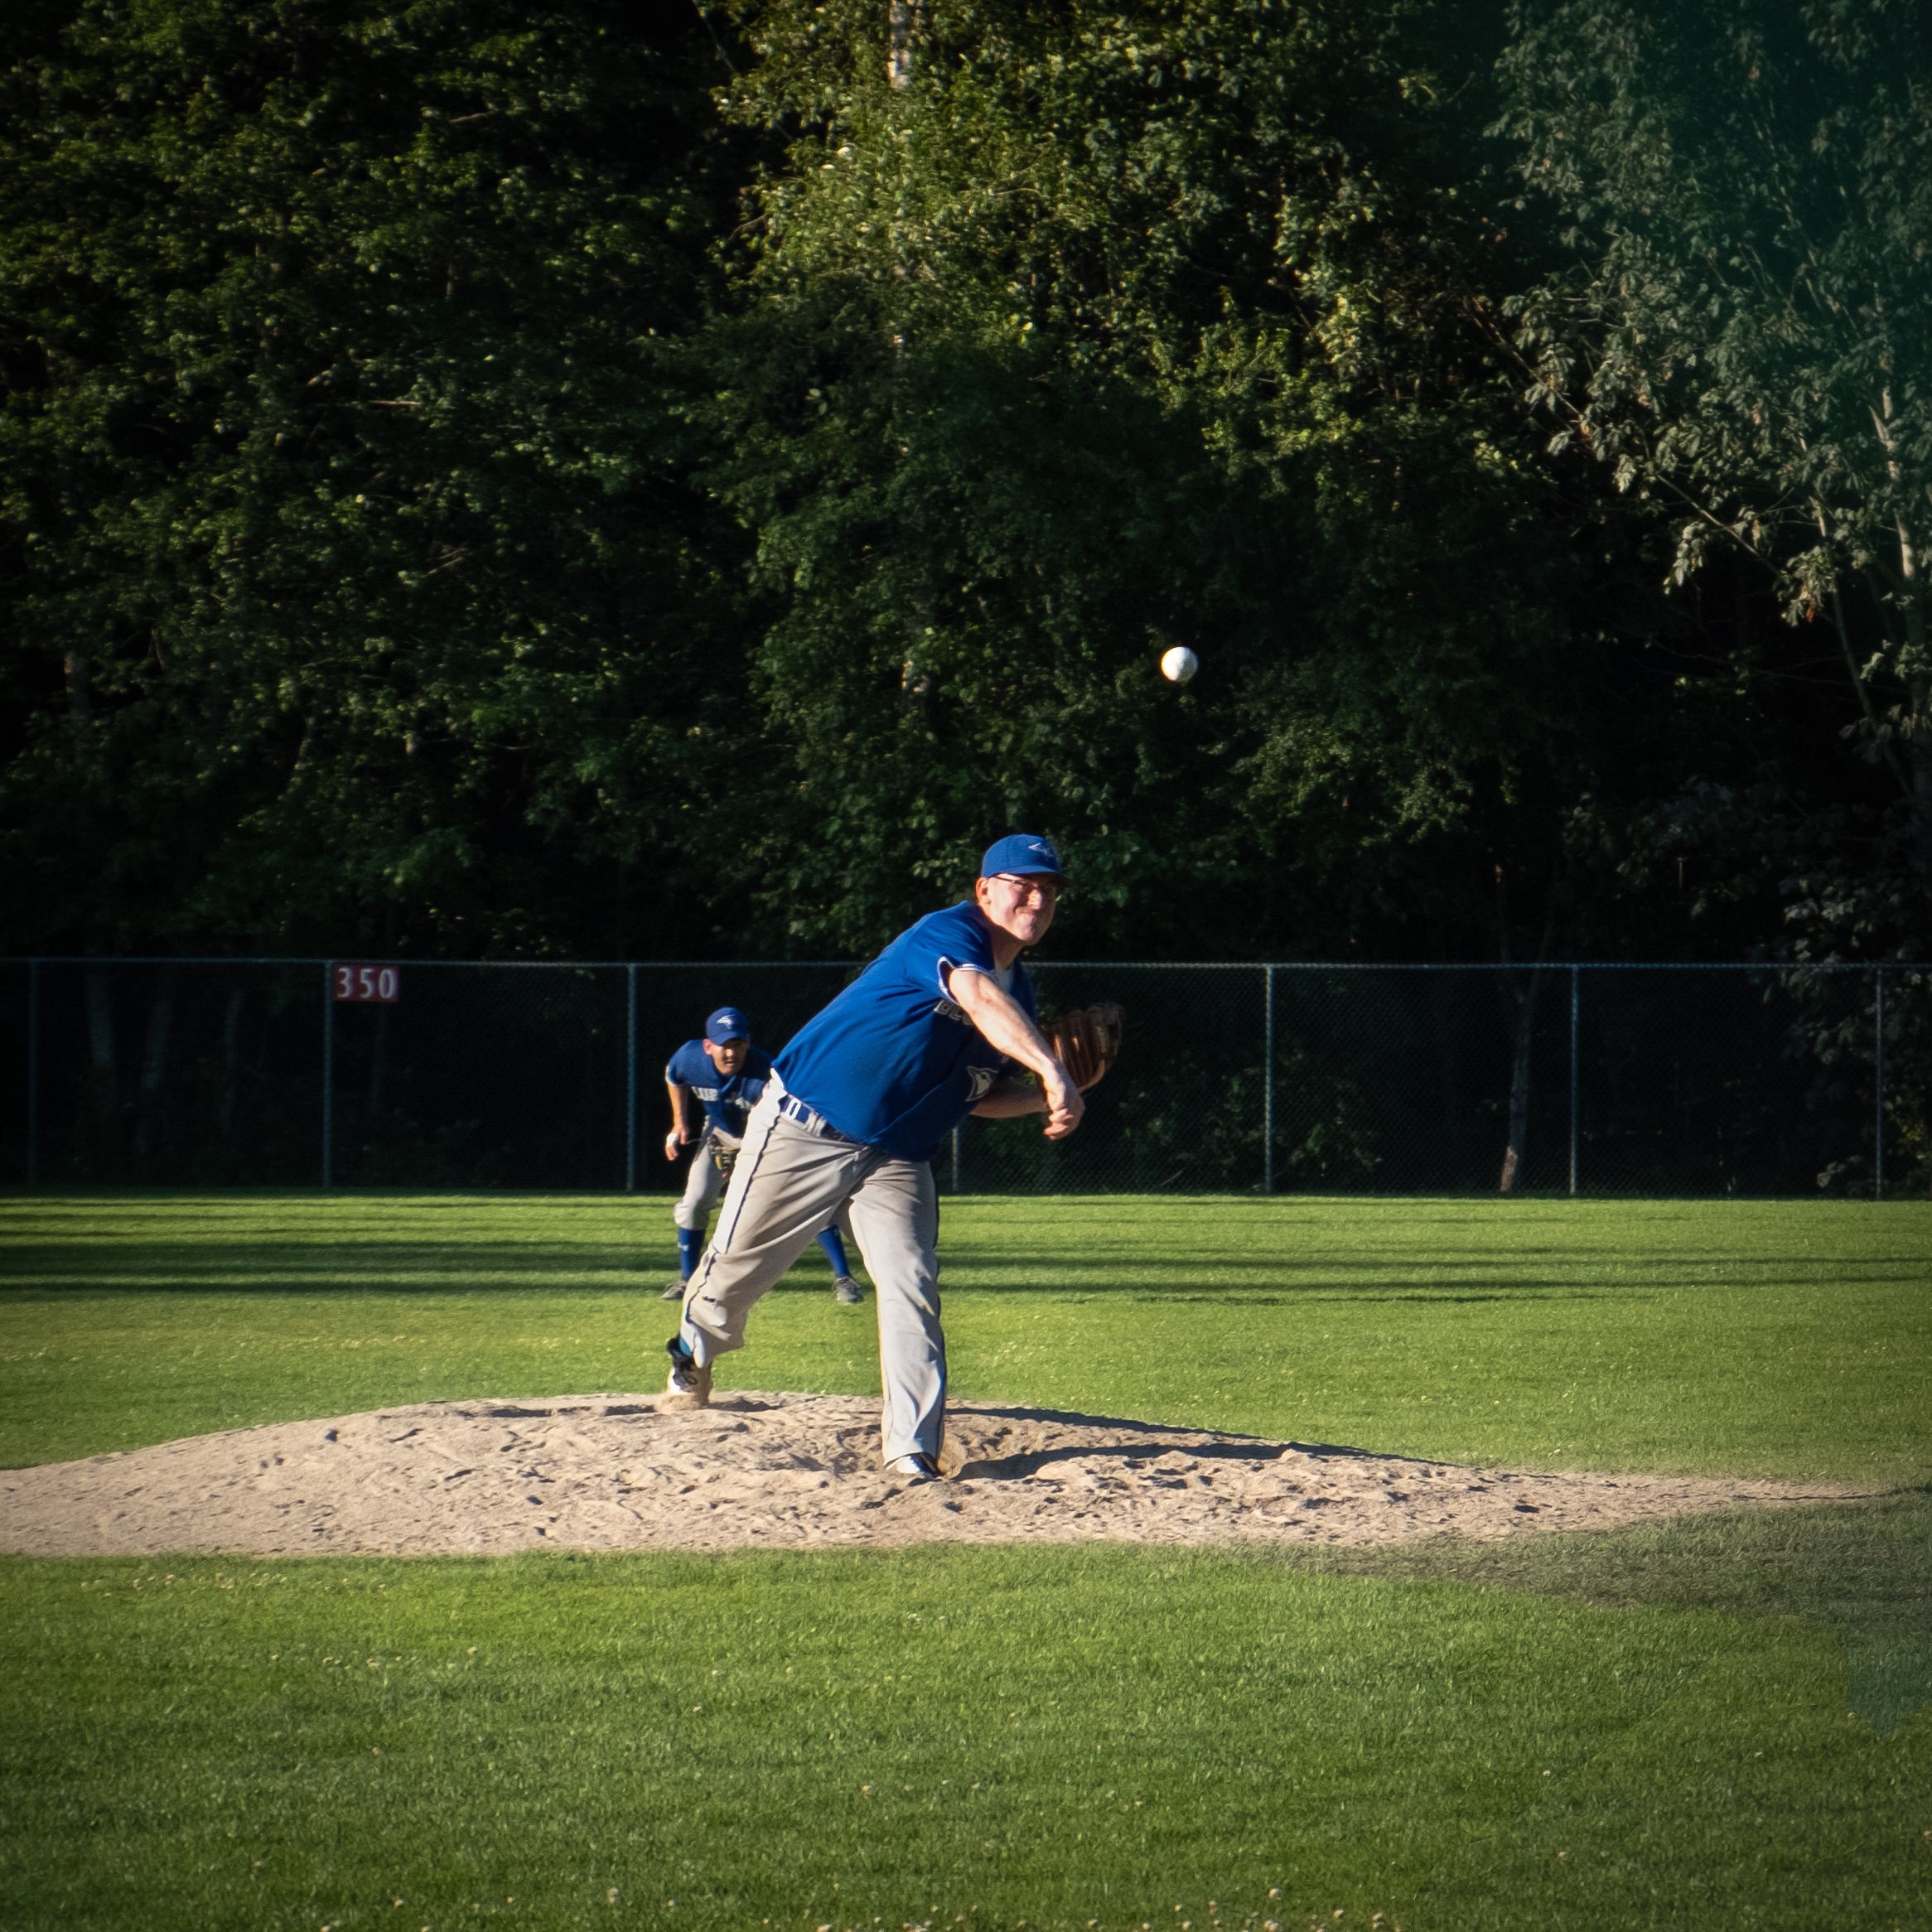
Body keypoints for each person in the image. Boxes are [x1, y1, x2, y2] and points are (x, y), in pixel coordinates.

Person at [663, 836, 1085, 1481]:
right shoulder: (945, 936)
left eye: (1048, 888)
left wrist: (1042, 1096)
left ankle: (910, 1449)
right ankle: (693, 1351)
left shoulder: (1019, 1001)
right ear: (984, 890)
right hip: (807, 1125)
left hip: (897, 1156)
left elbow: (979, 1094)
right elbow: (974, 996)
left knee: (911, 1282)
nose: (1036, 896)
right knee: (736, 1271)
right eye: (1021, 882)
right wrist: (1052, 1066)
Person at [661, 1006, 863, 1305]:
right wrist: (680, 1123)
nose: (731, 1053)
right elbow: (673, 1076)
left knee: (805, 1202)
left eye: (738, 1044)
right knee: (694, 1203)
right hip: (718, 1134)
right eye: (724, 1045)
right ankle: (688, 1279)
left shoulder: (766, 1073)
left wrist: (747, 1160)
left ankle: (844, 1278)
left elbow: (779, 1124)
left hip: (772, 1136)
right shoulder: (690, 1058)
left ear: (748, 1043)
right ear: (708, 1046)